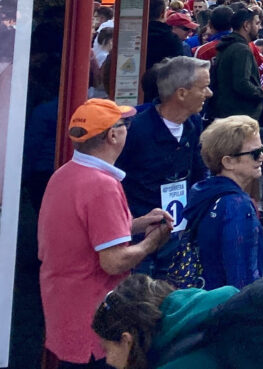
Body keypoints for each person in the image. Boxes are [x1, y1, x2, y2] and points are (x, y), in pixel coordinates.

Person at [39, 99, 174, 368]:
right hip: (96, 321)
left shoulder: (64, 175)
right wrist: (151, 243)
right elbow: (113, 262)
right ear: (112, 135)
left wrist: (140, 223)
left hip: (64, 310)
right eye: (126, 124)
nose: (128, 129)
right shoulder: (102, 185)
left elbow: (87, 232)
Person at [116, 57, 210, 221]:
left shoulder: (194, 122)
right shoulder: (133, 130)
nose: (209, 93)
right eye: (203, 88)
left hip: (181, 222)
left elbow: (198, 170)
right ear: (181, 93)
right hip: (141, 225)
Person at [187, 115, 263, 290]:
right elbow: (243, 280)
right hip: (229, 303)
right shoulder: (237, 205)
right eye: (255, 153)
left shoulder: (203, 191)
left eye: (262, 149)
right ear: (228, 162)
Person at [91, 273, 238, 369]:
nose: (108, 360)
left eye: (106, 349)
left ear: (126, 340)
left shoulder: (176, 361)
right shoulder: (221, 300)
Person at [208, 8, 263, 121]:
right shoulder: (241, 49)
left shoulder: (229, 45)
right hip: (238, 115)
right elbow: (242, 83)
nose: (260, 27)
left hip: (227, 113)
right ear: (246, 25)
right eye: (257, 23)